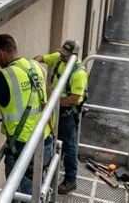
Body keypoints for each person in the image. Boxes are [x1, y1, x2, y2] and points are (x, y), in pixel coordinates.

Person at [0, 34, 53, 197]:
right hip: (44, 140)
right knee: (37, 190)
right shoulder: (36, 66)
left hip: (23, 148)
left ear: (1, 53)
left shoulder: (3, 77)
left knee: (20, 194)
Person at [34, 39, 88, 195]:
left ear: (74, 55)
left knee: (69, 145)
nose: (62, 56)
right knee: (57, 140)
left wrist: (52, 102)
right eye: (62, 53)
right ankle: (54, 169)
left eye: (66, 55)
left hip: (67, 113)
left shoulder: (79, 73)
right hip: (56, 110)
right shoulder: (59, 58)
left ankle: (71, 180)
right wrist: (34, 66)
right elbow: (41, 58)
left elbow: (75, 98)